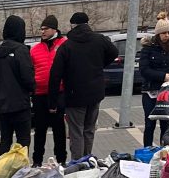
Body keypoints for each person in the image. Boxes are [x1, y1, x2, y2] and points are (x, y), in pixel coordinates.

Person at [49, 12, 119, 161]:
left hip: (74, 96)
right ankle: (88, 160)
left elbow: (55, 74)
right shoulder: (100, 40)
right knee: (89, 129)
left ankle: (77, 164)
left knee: (76, 131)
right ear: (87, 23)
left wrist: (52, 101)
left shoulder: (66, 46)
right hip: (95, 93)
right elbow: (114, 52)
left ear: (73, 25)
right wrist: (99, 65)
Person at [0, 15, 35, 156]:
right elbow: (28, 78)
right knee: (23, 140)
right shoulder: (21, 50)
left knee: (5, 140)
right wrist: (32, 89)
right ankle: (21, 171)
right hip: (20, 104)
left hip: (1, 105)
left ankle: (3, 170)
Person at [140, 12, 169, 147]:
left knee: (166, 124)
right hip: (150, 91)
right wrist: (162, 76)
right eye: (164, 33)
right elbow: (144, 70)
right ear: (158, 34)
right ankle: (147, 149)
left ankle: (164, 150)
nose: (167, 35)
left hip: (168, 91)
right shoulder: (148, 48)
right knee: (149, 124)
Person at [29, 15, 67, 166]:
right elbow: (31, 70)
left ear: (54, 29)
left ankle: (61, 159)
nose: (42, 32)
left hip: (59, 92)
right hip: (39, 94)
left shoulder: (65, 44)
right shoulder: (35, 49)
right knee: (40, 129)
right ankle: (37, 160)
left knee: (59, 129)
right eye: (42, 29)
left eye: (46, 29)